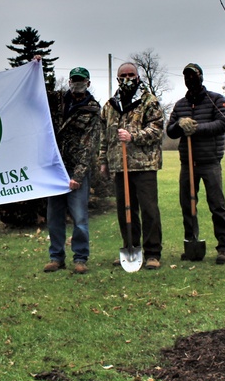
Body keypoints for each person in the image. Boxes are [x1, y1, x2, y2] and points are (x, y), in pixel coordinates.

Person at [98, 62, 164, 269]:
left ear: (137, 77)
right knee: (125, 209)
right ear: (118, 79)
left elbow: (156, 130)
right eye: (123, 75)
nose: (127, 78)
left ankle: (153, 253)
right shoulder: (110, 106)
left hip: (144, 165)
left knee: (149, 209)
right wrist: (103, 160)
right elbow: (104, 135)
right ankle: (130, 247)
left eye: (131, 74)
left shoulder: (148, 101)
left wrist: (133, 136)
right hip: (119, 164)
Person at [165, 63, 225, 264]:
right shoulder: (180, 105)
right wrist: (179, 125)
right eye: (186, 76)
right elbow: (170, 130)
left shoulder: (216, 100)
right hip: (188, 163)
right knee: (188, 205)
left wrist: (197, 128)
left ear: (201, 76)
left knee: (217, 205)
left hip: (210, 161)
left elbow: (224, 123)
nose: (190, 79)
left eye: (193, 75)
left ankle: (223, 248)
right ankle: (191, 243)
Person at [44, 66, 102, 274]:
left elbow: (90, 145)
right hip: (55, 170)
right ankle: (56, 257)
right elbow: (35, 89)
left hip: (76, 170)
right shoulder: (58, 100)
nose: (77, 83)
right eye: (74, 80)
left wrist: (78, 175)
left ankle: (80, 258)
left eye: (81, 80)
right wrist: (36, 65)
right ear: (69, 82)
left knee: (79, 218)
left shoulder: (93, 109)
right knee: (54, 217)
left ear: (88, 82)